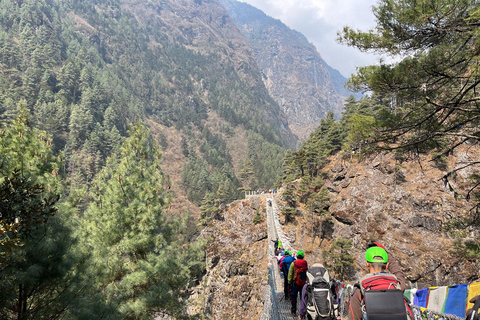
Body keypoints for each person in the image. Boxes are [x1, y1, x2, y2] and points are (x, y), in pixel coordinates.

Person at [348, 246, 409, 320]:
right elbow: (398, 273)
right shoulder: (397, 285)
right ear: (387, 265)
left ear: (367, 264)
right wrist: (387, 254)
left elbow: (354, 317)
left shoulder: (359, 289)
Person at [288, 250, 308, 316]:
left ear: (297, 256)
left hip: (295, 282)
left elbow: (290, 273)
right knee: (302, 298)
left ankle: (294, 311)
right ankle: (303, 312)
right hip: (303, 283)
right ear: (303, 256)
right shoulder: (305, 263)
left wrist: (289, 282)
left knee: (293, 297)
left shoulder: (294, 263)